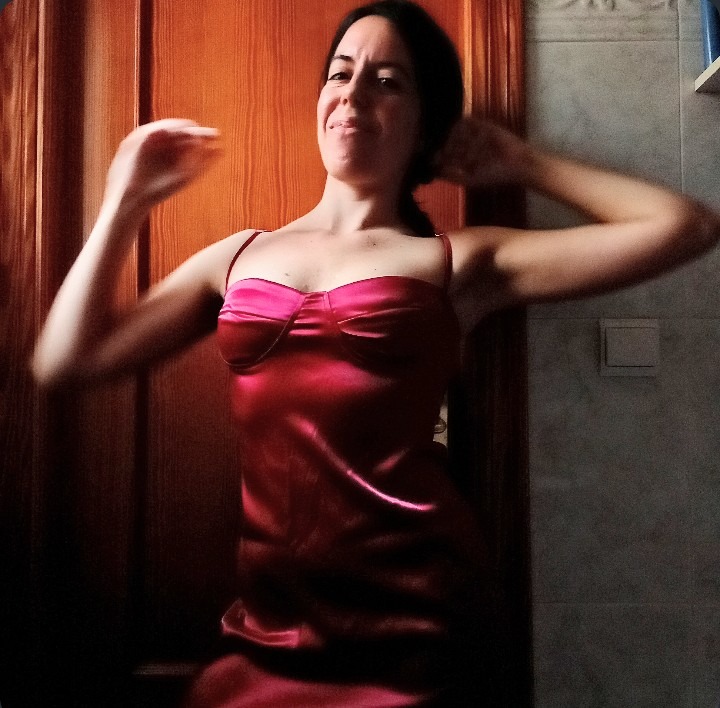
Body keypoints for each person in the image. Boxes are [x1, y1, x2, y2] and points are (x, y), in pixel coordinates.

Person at [32, 0, 720, 705]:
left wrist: (524, 162)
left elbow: (686, 226)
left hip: (418, 615)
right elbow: (63, 361)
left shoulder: (459, 263)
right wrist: (124, 202)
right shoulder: (235, 257)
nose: (354, 94)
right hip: (271, 621)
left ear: (424, 123)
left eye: (388, 81)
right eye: (341, 73)